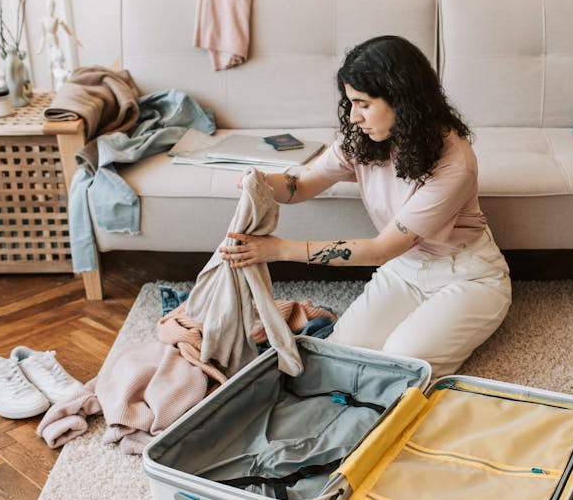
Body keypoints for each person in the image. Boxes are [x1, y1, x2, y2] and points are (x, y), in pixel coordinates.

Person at [219, 35, 512, 378]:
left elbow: (379, 250)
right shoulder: (363, 138)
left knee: (401, 363)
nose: (354, 116)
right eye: (351, 103)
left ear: (403, 101)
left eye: (364, 104)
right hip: (404, 270)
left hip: (466, 276)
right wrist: (262, 182)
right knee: (341, 353)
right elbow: (303, 184)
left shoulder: (455, 163)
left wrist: (280, 250)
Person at [34, 0, 83, 92]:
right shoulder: (43, 20)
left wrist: (76, 40)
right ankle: (51, 89)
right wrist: (40, 48)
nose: (50, 9)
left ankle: (59, 87)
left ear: (54, 8)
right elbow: (43, 36)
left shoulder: (57, 20)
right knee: (49, 64)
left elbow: (68, 32)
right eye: (49, 6)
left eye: (52, 7)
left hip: (55, 40)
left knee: (59, 61)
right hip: (48, 41)